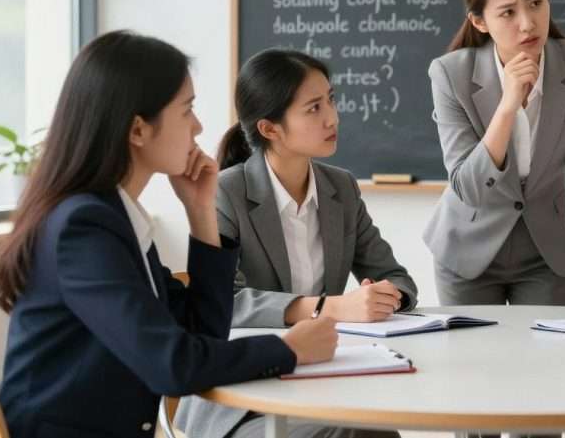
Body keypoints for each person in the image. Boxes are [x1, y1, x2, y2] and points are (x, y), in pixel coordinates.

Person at [0, 31, 336, 438]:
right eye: (186, 109)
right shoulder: (83, 228)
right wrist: (290, 348)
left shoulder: (115, 217)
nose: (199, 126)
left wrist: (200, 212)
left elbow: (201, 332)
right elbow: (172, 365)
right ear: (138, 130)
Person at [176, 48, 417, 438]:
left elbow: (396, 276)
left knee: (375, 432)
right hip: (241, 398)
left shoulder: (341, 188)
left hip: (322, 380)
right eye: (313, 108)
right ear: (270, 129)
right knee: (350, 434)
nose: (332, 117)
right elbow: (226, 301)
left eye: (331, 100)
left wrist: (387, 296)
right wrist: (329, 307)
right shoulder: (227, 192)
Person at [424, 0, 565, 310]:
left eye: (536, 3)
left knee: (545, 363)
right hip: (467, 248)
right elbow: (467, 186)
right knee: (472, 364)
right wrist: (507, 106)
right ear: (480, 21)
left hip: (549, 252)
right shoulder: (450, 74)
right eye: (507, 12)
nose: (527, 23)